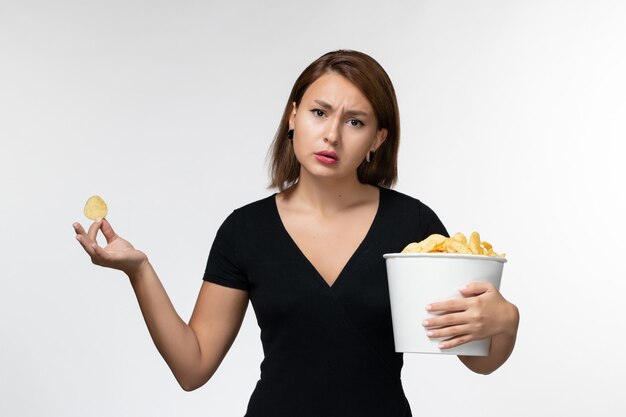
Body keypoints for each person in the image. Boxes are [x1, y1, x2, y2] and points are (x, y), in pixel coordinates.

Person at [73, 50, 519, 417]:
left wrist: (505, 321)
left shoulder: (414, 227)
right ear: (293, 116)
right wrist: (139, 270)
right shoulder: (245, 230)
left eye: (355, 122)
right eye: (319, 112)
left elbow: (478, 360)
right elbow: (193, 367)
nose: (331, 135)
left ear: (378, 139)